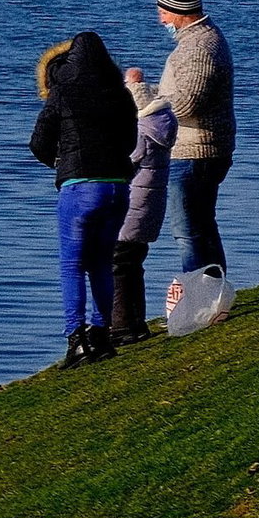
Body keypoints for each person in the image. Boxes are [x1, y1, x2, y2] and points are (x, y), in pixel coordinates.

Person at [29, 33, 138, 368]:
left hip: (79, 187)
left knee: (72, 265)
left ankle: (76, 339)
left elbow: (39, 142)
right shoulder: (120, 94)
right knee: (102, 264)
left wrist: (60, 164)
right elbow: (130, 141)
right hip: (116, 188)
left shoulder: (62, 91)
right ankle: (101, 335)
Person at [155, 0, 236, 273]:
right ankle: (214, 296)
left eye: (163, 12)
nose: (161, 19)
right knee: (203, 225)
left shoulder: (199, 47)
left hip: (194, 152)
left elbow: (187, 105)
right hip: (203, 150)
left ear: (179, 13)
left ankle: (199, 299)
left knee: (187, 231)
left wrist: (142, 97)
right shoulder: (200, 41)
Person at [109, 66, 179, 345]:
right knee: (132, 263)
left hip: (131, 210)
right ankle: (134, 322)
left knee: (119, 263)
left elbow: (124, 164)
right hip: (147, 209)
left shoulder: (142, 132)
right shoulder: (161, 125)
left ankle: (123, 325)